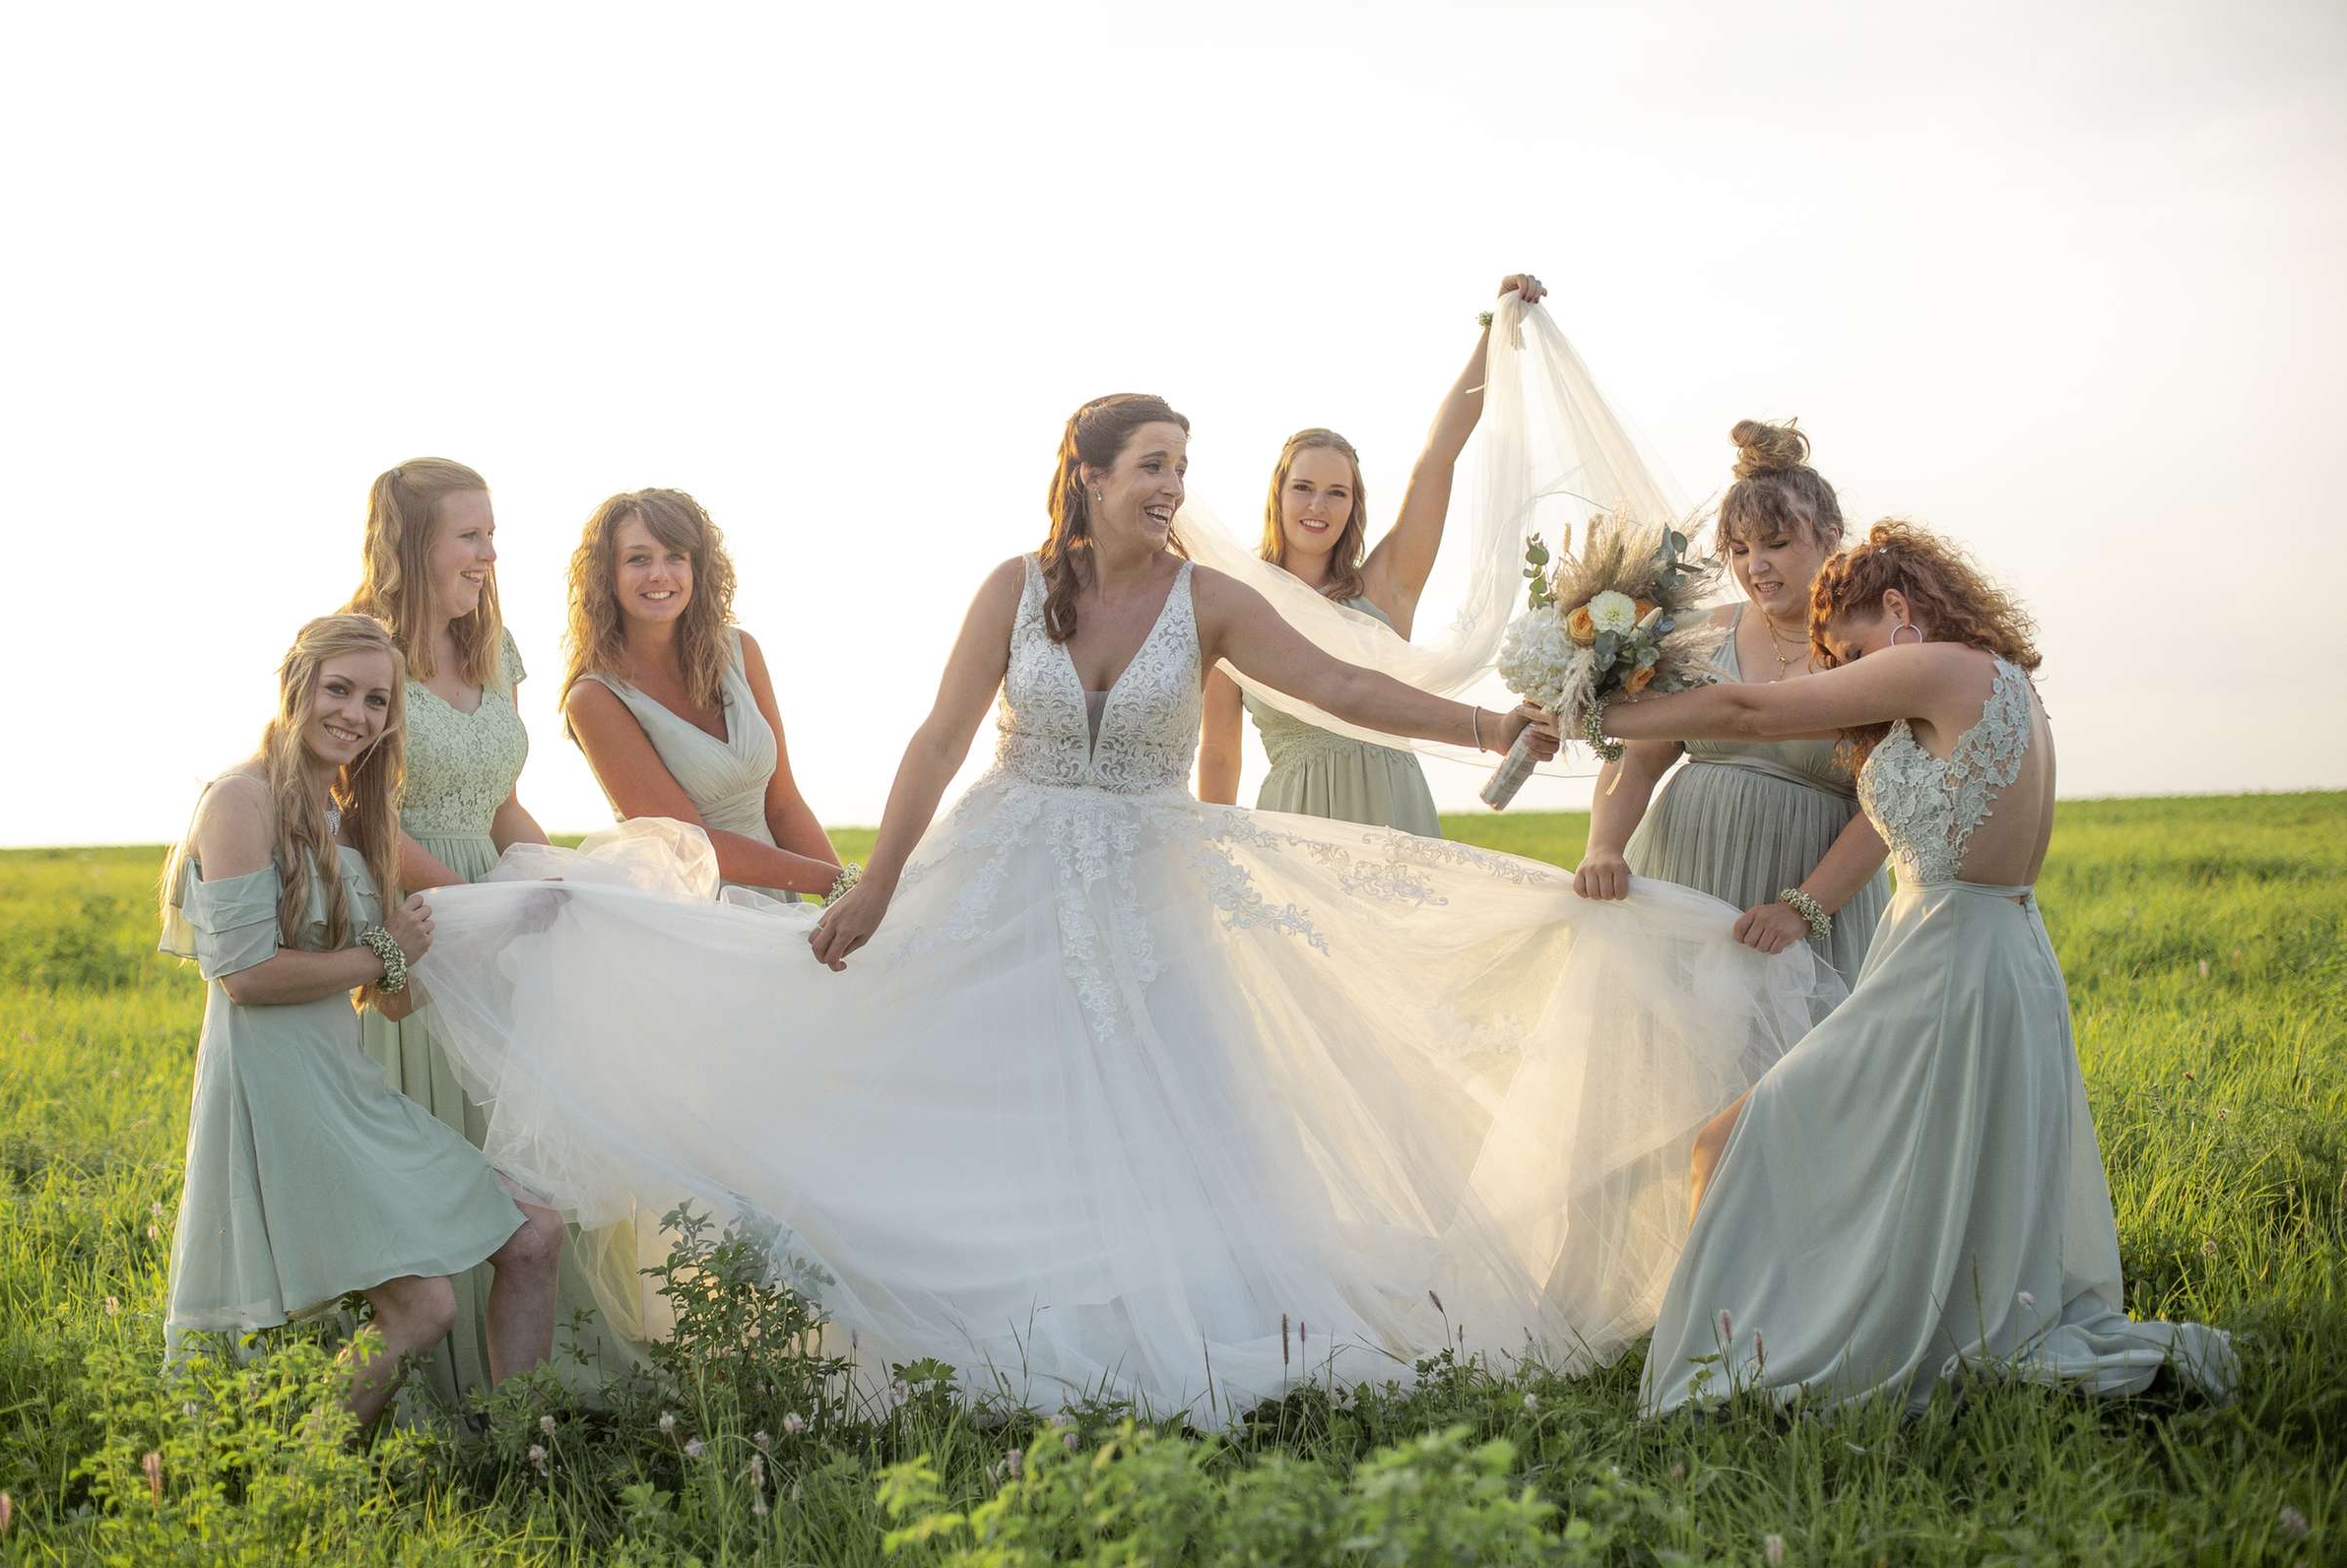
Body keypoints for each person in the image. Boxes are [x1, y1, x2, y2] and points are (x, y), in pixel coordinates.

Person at [410, 394, 1834, 1425]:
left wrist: (1491, 733)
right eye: (1153, 466)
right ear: (1083, 475)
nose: (1174, 485)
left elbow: (1339, 688)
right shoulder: (1011, 589)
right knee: (966, 1105)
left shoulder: (1209, 599)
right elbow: (930, 740)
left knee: (1174, 1108)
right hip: (1002, 871)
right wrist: (880, 884)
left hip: (1149, 888)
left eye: (1184, 468)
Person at [1531, 523, 2234, 1412]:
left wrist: (1594, 715)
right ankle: (1811, 1325)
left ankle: (1733, 1361)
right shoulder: (2007, 684)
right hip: (1994, 958)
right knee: (1915, 1181)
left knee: (1730, 1140)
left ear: (1899, 609)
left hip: (1941, 969)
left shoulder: (1941, 667)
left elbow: (1748, 712)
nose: (1845, 674)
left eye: (1852, 651)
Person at [157, 615, 561, 1429]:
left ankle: (523, 1447)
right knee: (424, 1310)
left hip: (347, 1085)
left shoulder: (350, 817)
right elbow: (243, 976)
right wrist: (383, 953)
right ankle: (303, 1466)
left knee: (534, 1234)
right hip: (278, 1095)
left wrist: (490, 928)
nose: (355, 713)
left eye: (376, 700)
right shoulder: (241, 800)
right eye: (339, 689)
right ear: (296, 685)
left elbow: (390, 995)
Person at [344, 456, 561, 1397]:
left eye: (491, 532)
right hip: (422, 923)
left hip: (496, 914)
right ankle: (439, 1394)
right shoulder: (367, 657)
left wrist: (553, 875)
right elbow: (366, 821)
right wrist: (481, 909)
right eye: (469, 534)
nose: (489, 551)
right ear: (415, 542)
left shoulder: (494, 649)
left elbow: (502, 800)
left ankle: (521, 1406)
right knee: (446, 1153)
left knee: (522, 1160)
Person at [1198, 273, 1545, 834]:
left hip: (1394, 811)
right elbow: (1218, 752)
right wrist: (1211, 850)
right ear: (1278, 494)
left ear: (1354, 504)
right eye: (1304, 488)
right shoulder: (1236, 601)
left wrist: (1494, 329)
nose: (1319, 506)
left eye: (1338, 492)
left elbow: (1439, 456)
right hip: (1294, 822)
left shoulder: (1385, 587)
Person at [1573, 421, 1889, 983]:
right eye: (1740, 550)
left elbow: (1885, 805)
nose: (1755, 566)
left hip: (1807, 905)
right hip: (1684, 879)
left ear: (1830, 537)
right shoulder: (1701, 635)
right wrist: (1603, 847)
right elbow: (1638, 756)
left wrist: (1804, 908)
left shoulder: (1871, 651)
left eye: (1777, 544)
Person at [561, 488, 843, 899]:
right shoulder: (594, 698)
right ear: (608, 576)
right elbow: (689, 844)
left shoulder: (741, 651)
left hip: (781, 901)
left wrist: (851, 901)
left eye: (676, 556)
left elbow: (784, 806)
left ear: (698, 568)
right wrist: (837, 882)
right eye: (638, 559)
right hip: (695, 918)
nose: (660, 573)